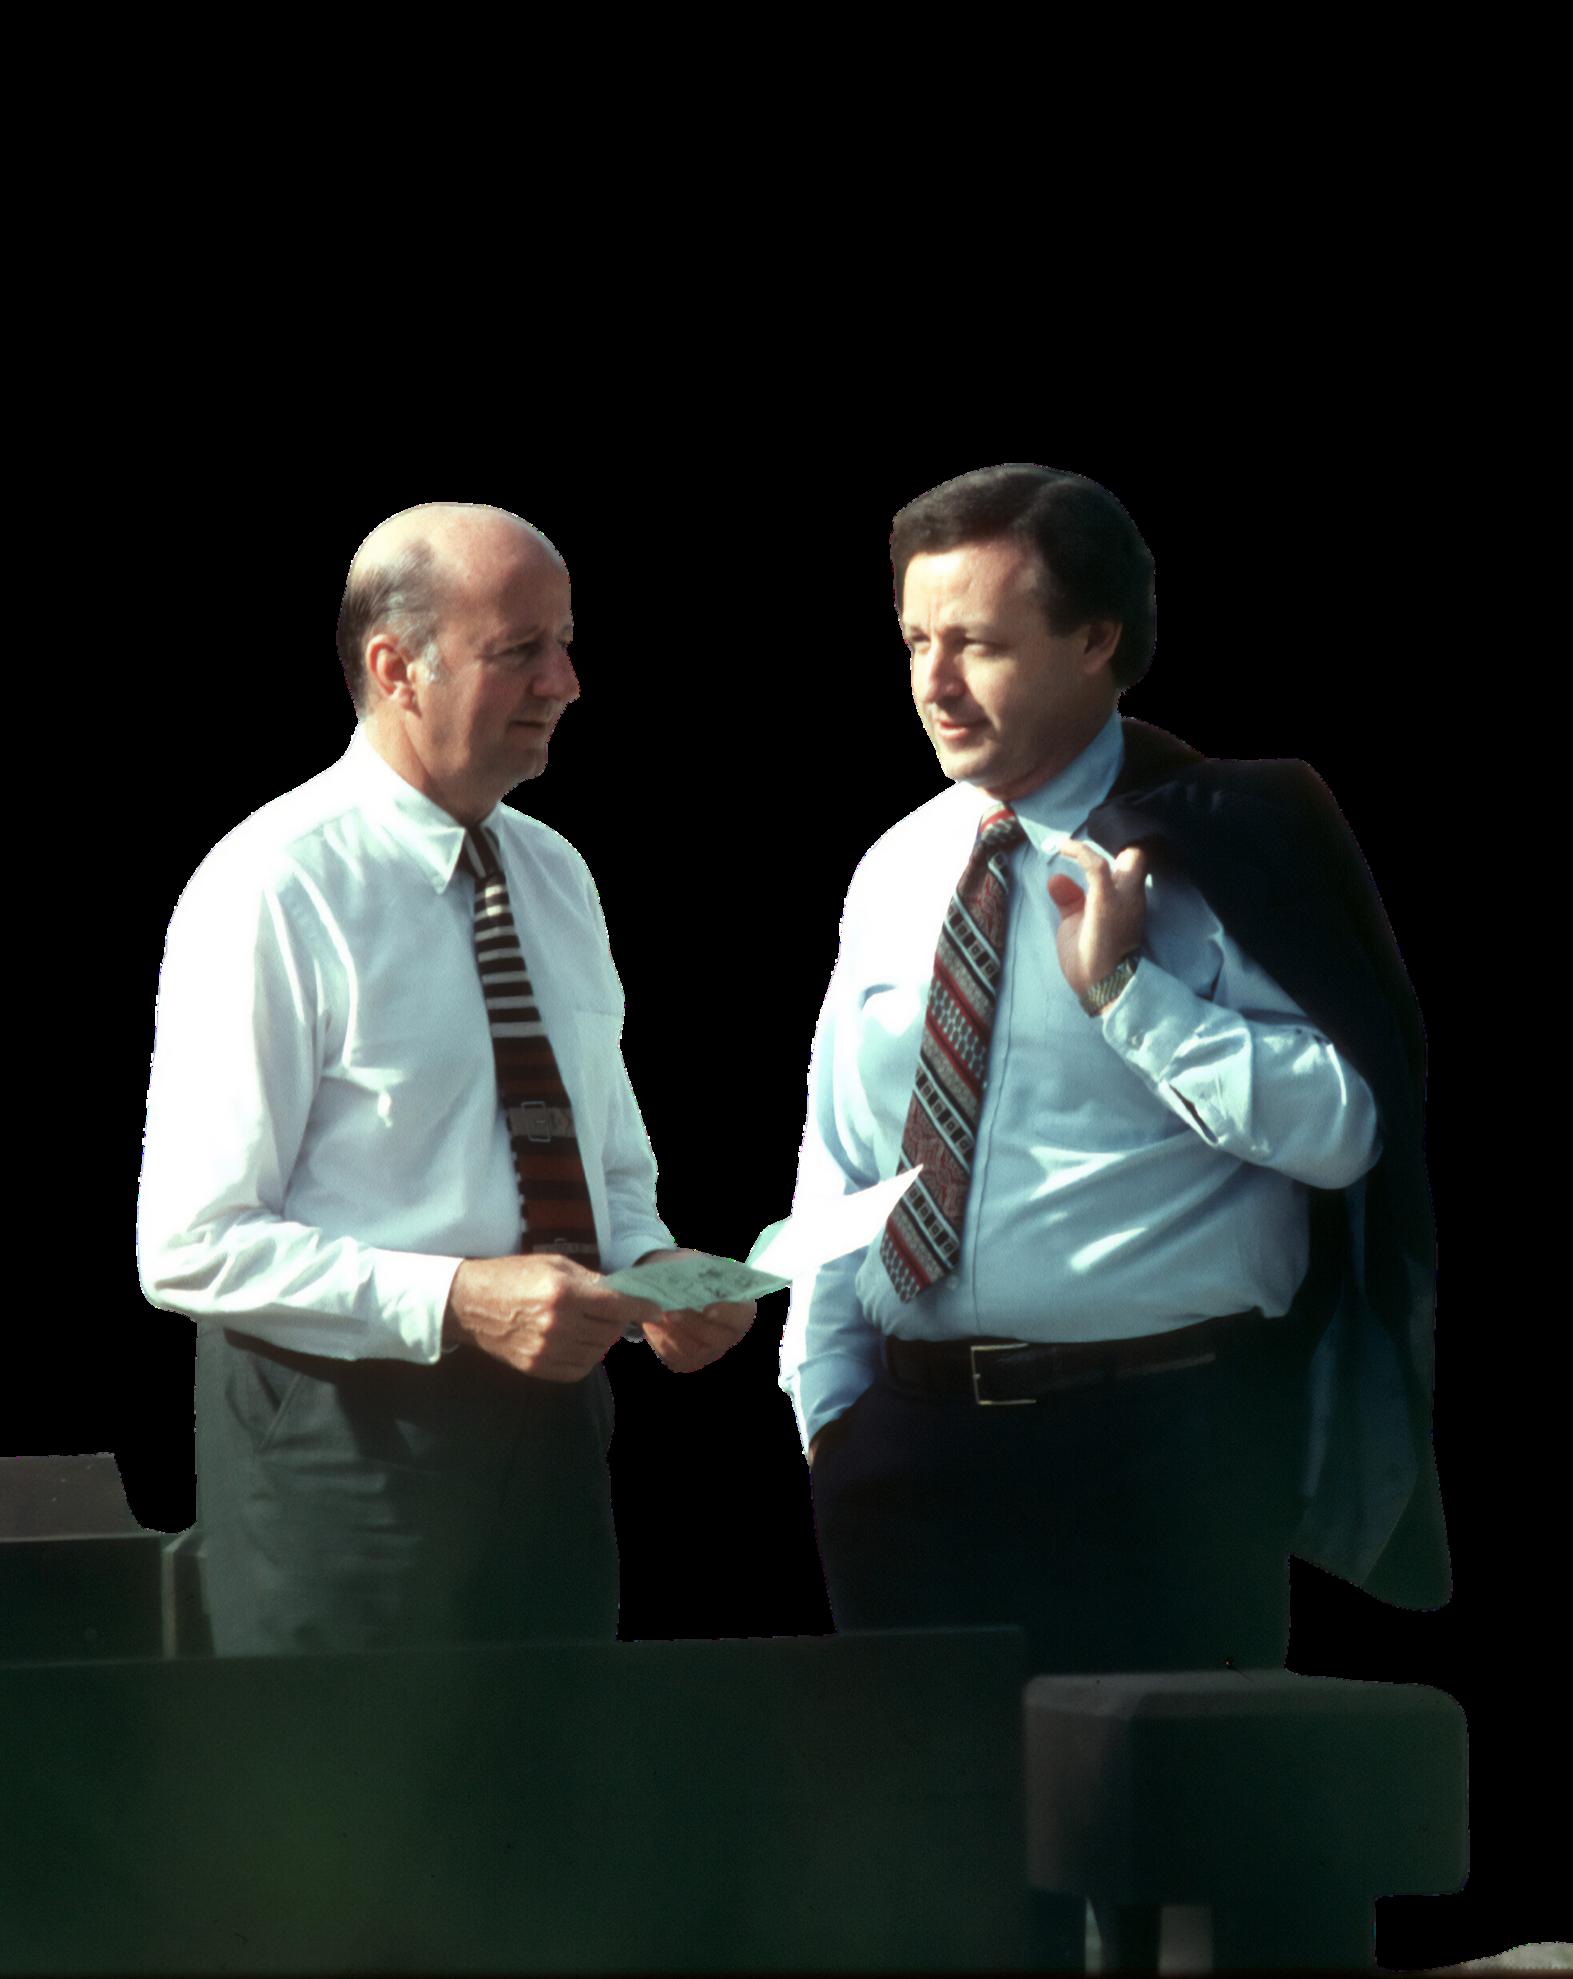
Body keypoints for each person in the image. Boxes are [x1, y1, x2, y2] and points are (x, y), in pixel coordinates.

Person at [778, 463, 1443, 1971]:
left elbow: (1347, 1131)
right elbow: (842, 1152)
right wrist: (825, 1405)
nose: (935, 681)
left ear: (1097, 641)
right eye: (914, 640)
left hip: (1159, 1452)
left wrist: (1135, 996)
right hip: (910, 1457)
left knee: (1187, 1890)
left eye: (979, 640)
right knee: (940, 1890)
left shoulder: (1220, 837)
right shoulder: (896, 863)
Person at [137, 503, 756, 1658]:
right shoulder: (273, 885)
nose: (565, 682)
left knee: (555, 1765)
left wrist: (653, 1266)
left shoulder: (555, 873)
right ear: (395, 668)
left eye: (565, 643)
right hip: (344, 1450)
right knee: (354, 1776)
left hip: (556, 1444)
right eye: (520, 650)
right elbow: (191, 1243)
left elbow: (605, 1162)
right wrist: (461, 1298)